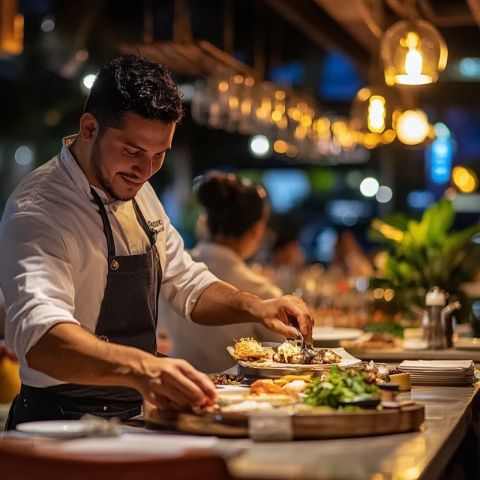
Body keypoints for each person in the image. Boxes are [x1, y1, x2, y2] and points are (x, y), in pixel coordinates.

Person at [0, 56, 312, 429]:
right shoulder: (39, 211)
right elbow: (41, 341)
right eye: (132, 152)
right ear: (89, 129)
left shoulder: (139, 189)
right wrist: (147, 368)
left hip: (132, 416)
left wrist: (257, 306)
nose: (145, 171)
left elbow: (187, 283)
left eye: (159, 155)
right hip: (58, 425)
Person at [157, 172, 283, 372]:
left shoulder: (167, 269)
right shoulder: (263, 294)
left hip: (171, 385)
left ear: (203, 221)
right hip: (238, 398)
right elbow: (285, 360)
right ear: (258, 229)